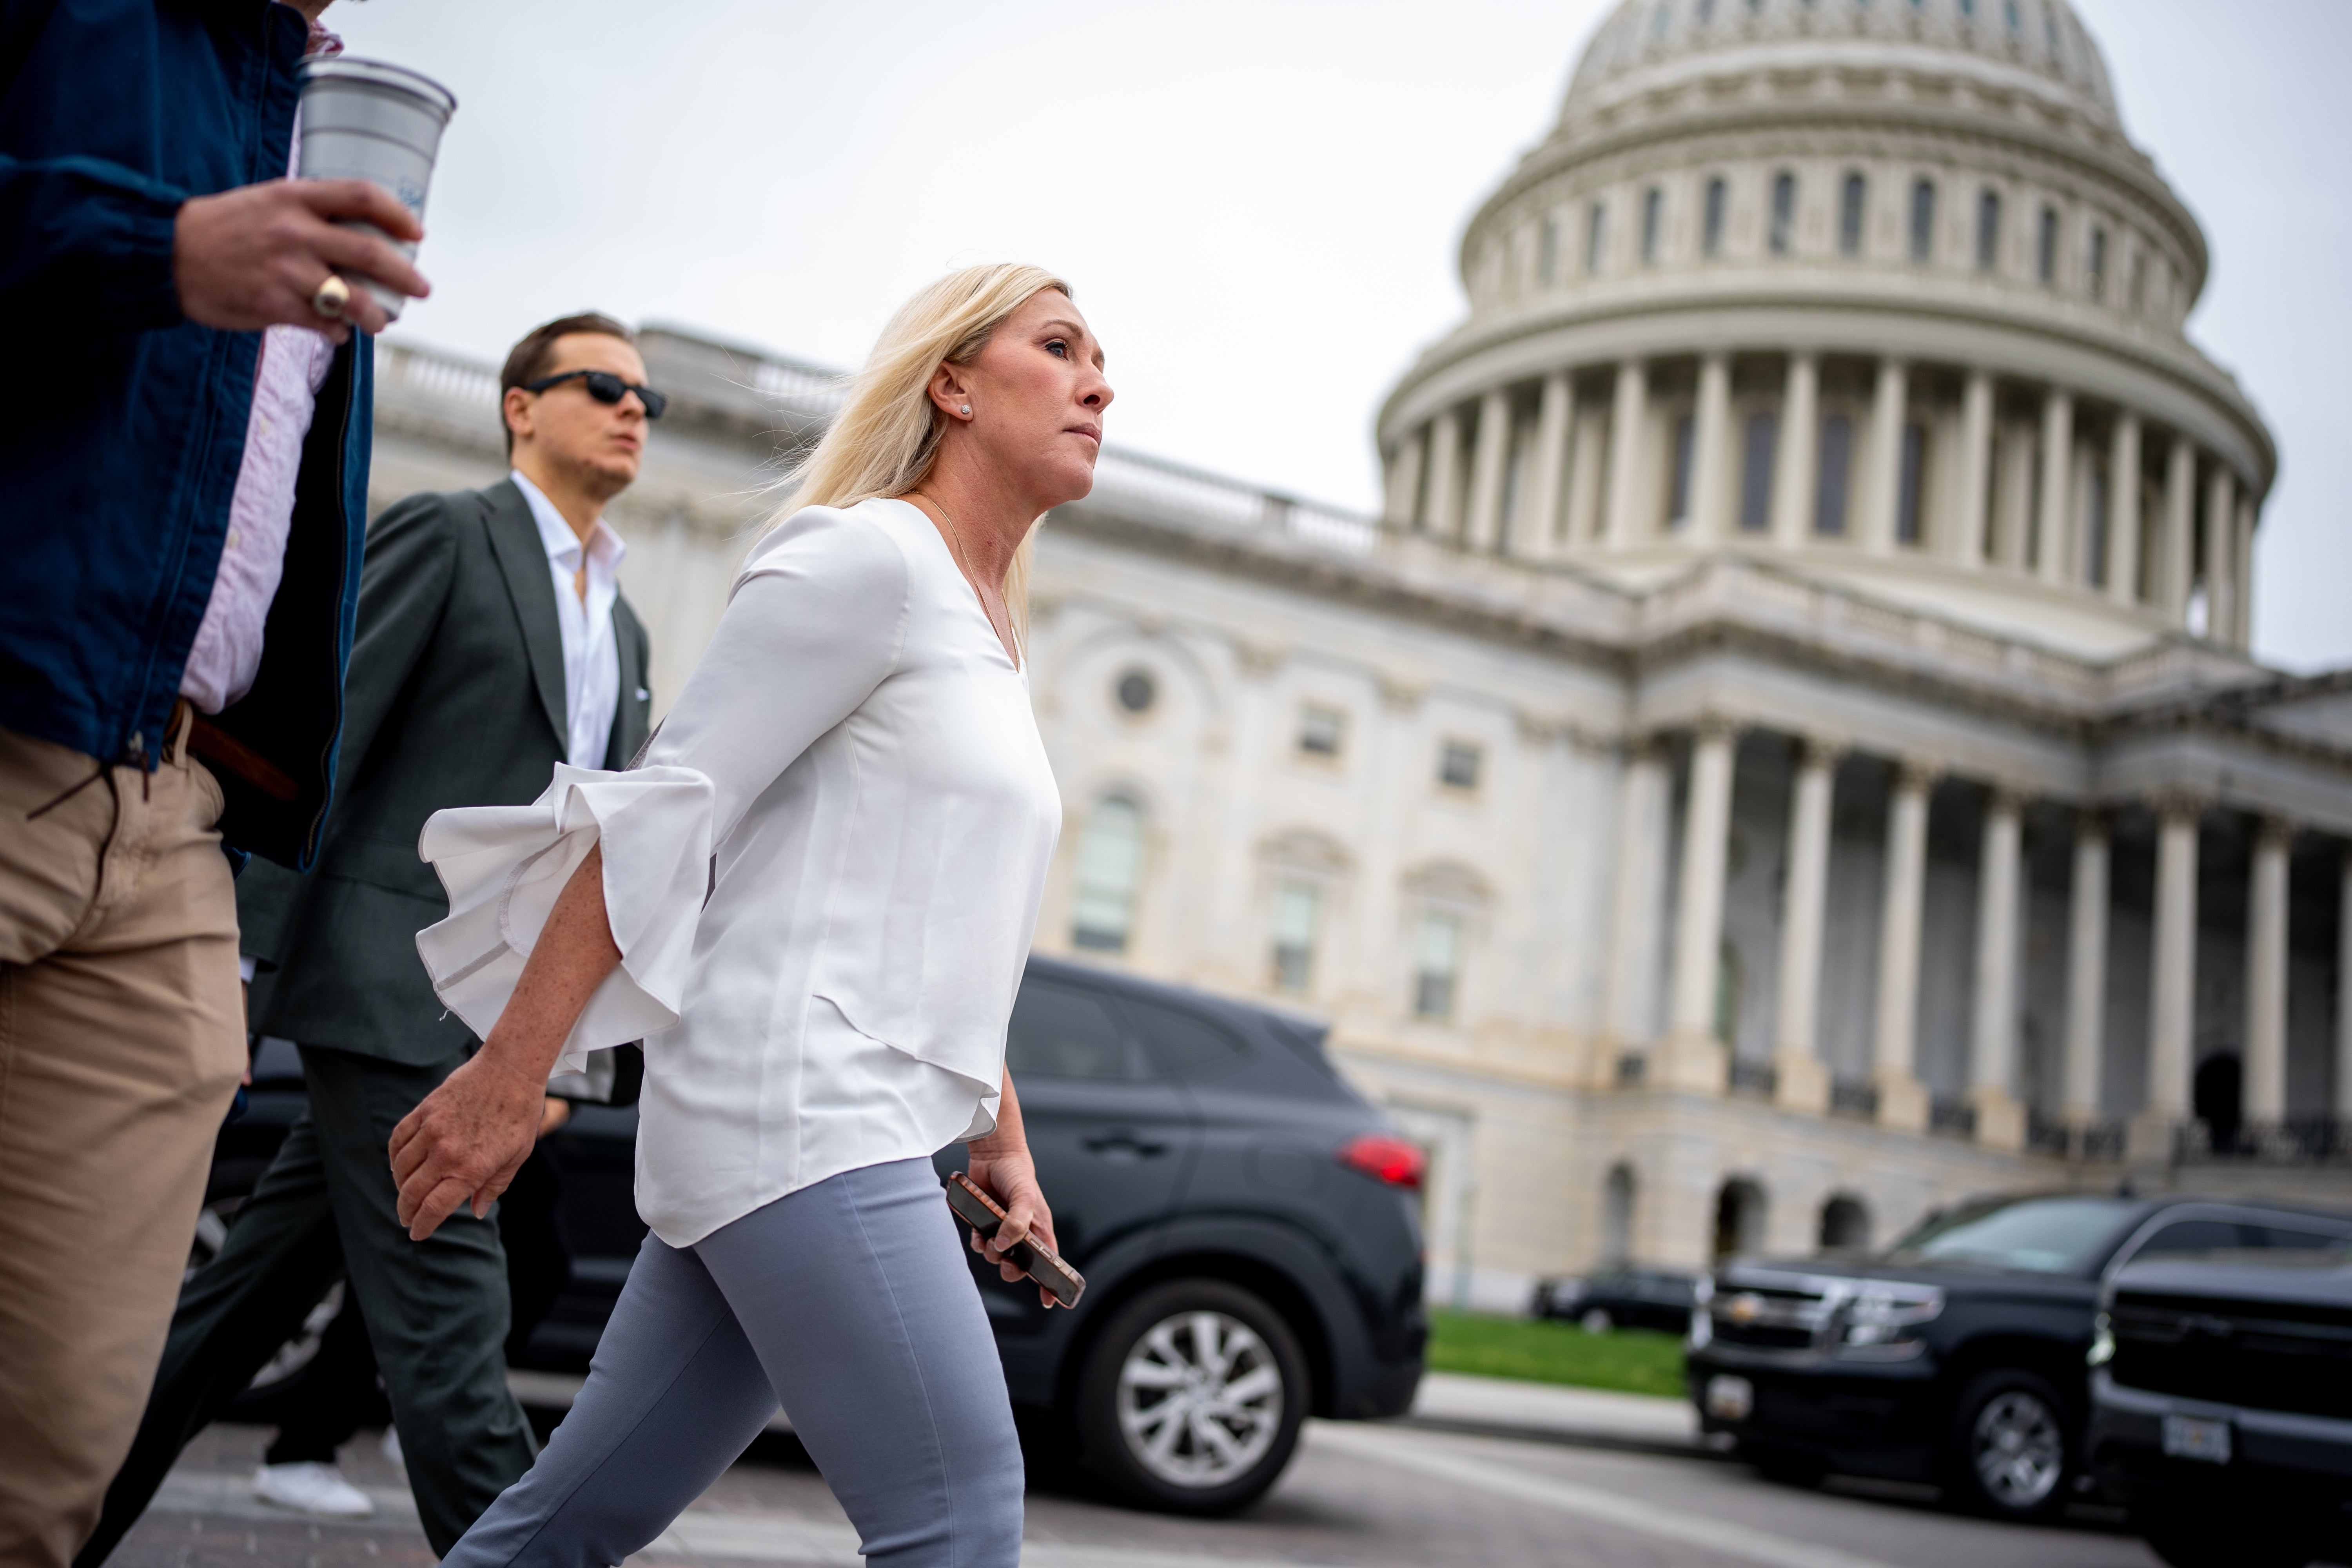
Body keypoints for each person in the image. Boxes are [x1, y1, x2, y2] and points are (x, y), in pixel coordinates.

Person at [389, 263, 1109, 1568]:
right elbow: (665, 816)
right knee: (958, 1516)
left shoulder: (992, 625)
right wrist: (512, 1071)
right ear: (950, 383)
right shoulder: (866, 559)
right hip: (801, 1110)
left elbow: (951, 916)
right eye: (1059, 347)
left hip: (853, 1117)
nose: (1099, 382)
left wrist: (1001, 1137)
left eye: (1099, 360)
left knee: (564, 1529)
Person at [76, 314, 660, 1564]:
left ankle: (49, 1530)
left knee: (230, 1316)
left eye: (646, 399)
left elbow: (597, 853)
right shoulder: (453, 534)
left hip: (495, 1020)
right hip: (385, 989)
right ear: (522, 406)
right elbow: (321, 752)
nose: (633, 411)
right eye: (604, 385)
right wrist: (236, 962)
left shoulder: (626, 626)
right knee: (456, 1342)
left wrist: (557, 1054)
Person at [0, 4, 428, 1562]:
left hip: (174, 807)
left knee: (51, 1462)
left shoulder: (323, 112)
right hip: (13, 714)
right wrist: (156, 252)